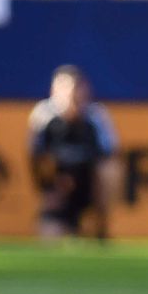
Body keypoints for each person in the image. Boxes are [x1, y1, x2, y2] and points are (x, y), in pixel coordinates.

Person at [28, 65, 120, 240]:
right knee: (50, 239)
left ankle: (101, 225)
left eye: (76, 88)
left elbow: (109, 156)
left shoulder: (96, 116)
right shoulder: (44, 117)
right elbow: (35, 159)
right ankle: (59, 219)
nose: (71, 94)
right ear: (53, 90)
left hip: (88, 185)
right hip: (59, 190)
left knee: (110, 170)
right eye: (64, 88)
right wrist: (48, 188)